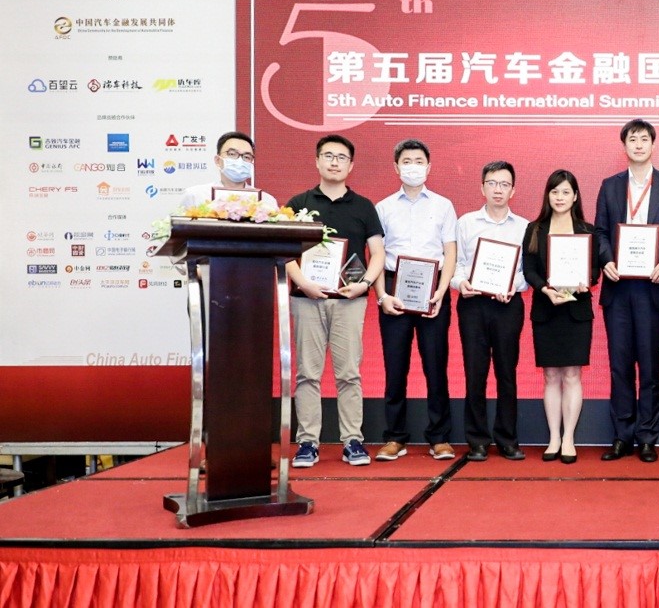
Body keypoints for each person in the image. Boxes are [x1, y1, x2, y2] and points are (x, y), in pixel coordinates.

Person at [285, 135, 385, 468]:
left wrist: (365, 285)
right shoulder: (297, 203)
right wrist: (304, 283)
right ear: (317, 161)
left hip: (350, 300)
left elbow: (378, 253)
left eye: (341, 157)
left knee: (349, 373)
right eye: (328, 156)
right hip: (306, 299)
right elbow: (284, 253)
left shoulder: (364, 206)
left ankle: (352, 440)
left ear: (351, 165)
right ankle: (307, 443)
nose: (334, 162)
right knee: (307, 374)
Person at [594, 119, 659, 463]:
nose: (638, 144)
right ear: (624, 146)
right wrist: (606, 260)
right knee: (620, 366)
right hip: (618, 288)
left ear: (653, 145)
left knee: (649, 368)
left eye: (644, 139)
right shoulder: (610, 186)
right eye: (632, 139)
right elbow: (600, 232)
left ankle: (647, 437)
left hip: (653, 288)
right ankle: (622, 437)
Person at [372, 139, 458, 462]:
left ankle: (439, 437)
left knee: (436, 365)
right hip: (394, 287)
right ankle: (395, 437)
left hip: (433, 289)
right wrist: (382, 296)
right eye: (406, 161)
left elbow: (450, 252)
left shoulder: (443, 205)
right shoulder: (382, 208)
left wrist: (441, 290)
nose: (413, 166)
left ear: (428, 166)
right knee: (395, 366)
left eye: (418, 161)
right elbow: (376, 255)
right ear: (396, 167)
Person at [521, 170, 602, 465]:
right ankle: (553, 437)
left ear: (575, 196)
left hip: (576, 311)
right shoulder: (535, 229)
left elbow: (595, 269)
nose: (560, 197)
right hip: (546, 309)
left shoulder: (587, 230)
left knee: (572, 375)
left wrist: (586, 282)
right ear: (548, 195)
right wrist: (545, 289)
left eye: (566, 192)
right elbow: (529, 269)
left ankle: (569, 438)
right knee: (550, 376)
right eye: (555, 191)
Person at [452, 161, 529, 461]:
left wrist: (513, 286)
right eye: (492, 183)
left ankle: (508, 439)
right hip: (473, 304)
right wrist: (461, 283)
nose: (498, 189)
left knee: (507, 372)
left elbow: (526, 271)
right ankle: (477, 440)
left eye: (504, 184)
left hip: (508, 305)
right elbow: (457, 264)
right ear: (482, 187)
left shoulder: (524, 227)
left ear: (513, 190)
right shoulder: (466, 223)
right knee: (475, 372)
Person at [178, 130, 277, 210]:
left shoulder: (266, 201)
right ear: (218, 160)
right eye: (232, 154)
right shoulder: (195, 196)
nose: (240, 160)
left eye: (247, 157)